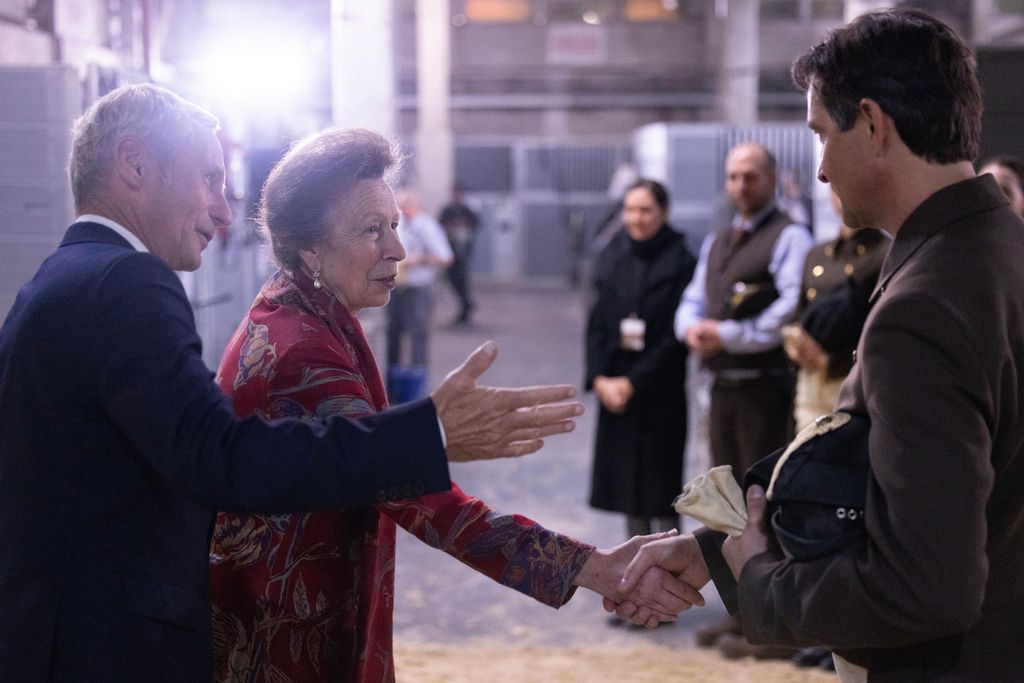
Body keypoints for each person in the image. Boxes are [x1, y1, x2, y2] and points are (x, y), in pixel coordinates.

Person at [0, 84, 587, 681]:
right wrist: (428, 433)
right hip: (126, 645)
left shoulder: (70, 278)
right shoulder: (135, 286)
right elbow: (220, 456)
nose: (225, 211)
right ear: (135, 164)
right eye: (208, 178)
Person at [208, 129, 702, 682]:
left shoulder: (305, 313)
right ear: (310, 249)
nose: (396, 249)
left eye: (393, 225)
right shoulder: (302, 348)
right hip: (285, 635)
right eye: (371, 231)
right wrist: (594, 568)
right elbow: (426, 504)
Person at [619, 9, 1024, 681]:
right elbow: (894, 477)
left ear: (872, 124)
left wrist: (762, 580)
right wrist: (717, 553)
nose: (822, 169)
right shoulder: (998, 250)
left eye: (821, 135)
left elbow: (925, 586)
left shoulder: (923, 306)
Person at [672, 141, 813, 653]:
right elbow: (691, 300)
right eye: (733, 177)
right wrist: (693, 329)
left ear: (773, 179)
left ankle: (773, 629)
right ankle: (740, 617)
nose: (741, 186)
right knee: (726, 508)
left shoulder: (791, 237)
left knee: (763, 509)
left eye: (751, 176)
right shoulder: (717, 242)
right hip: (723, 390)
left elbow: (791, 308)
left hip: (764, 392)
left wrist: (728, 335)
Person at [585, 179, 696, 541]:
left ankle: (668, 573)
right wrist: (600, 379)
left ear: (663, 212)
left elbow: (676, 338)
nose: (636, 217)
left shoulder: (682, 260)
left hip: (657, 390)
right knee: (626, 491)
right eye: (630, 209)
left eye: (645, 209)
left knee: (660, 492)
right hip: (615, 387)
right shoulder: (613, 253)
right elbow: (597, 322)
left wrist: (633, 383)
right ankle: (637, 571)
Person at [785, 188, 888, 432]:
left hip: (858, 383)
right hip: (811, 388)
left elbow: (885, 332)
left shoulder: (888, 252)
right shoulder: (817, 255)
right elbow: (798, 314)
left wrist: (831, 361)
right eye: (834, 187)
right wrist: (795, 345)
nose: (842, 192)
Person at [386, 187, 453, 394]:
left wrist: (418, 259)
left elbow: (445, 257)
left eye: (403, 204)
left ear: (414, 204)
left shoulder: (427, 226)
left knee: (418, 339)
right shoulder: (401, 225)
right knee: (393, 336)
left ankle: (418, 388)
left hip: (418, 290)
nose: (400, 207)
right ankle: (391, 388)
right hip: (396, 288)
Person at [438, 183, 480, 325]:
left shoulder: (467, 210)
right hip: (450, 253)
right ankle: (467, 304)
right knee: (452, 279)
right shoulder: (447, 210)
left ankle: (466, 307)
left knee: (462, 281)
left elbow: (476, 224)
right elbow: (440, 226)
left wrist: (464, 225)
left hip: (463, 253)